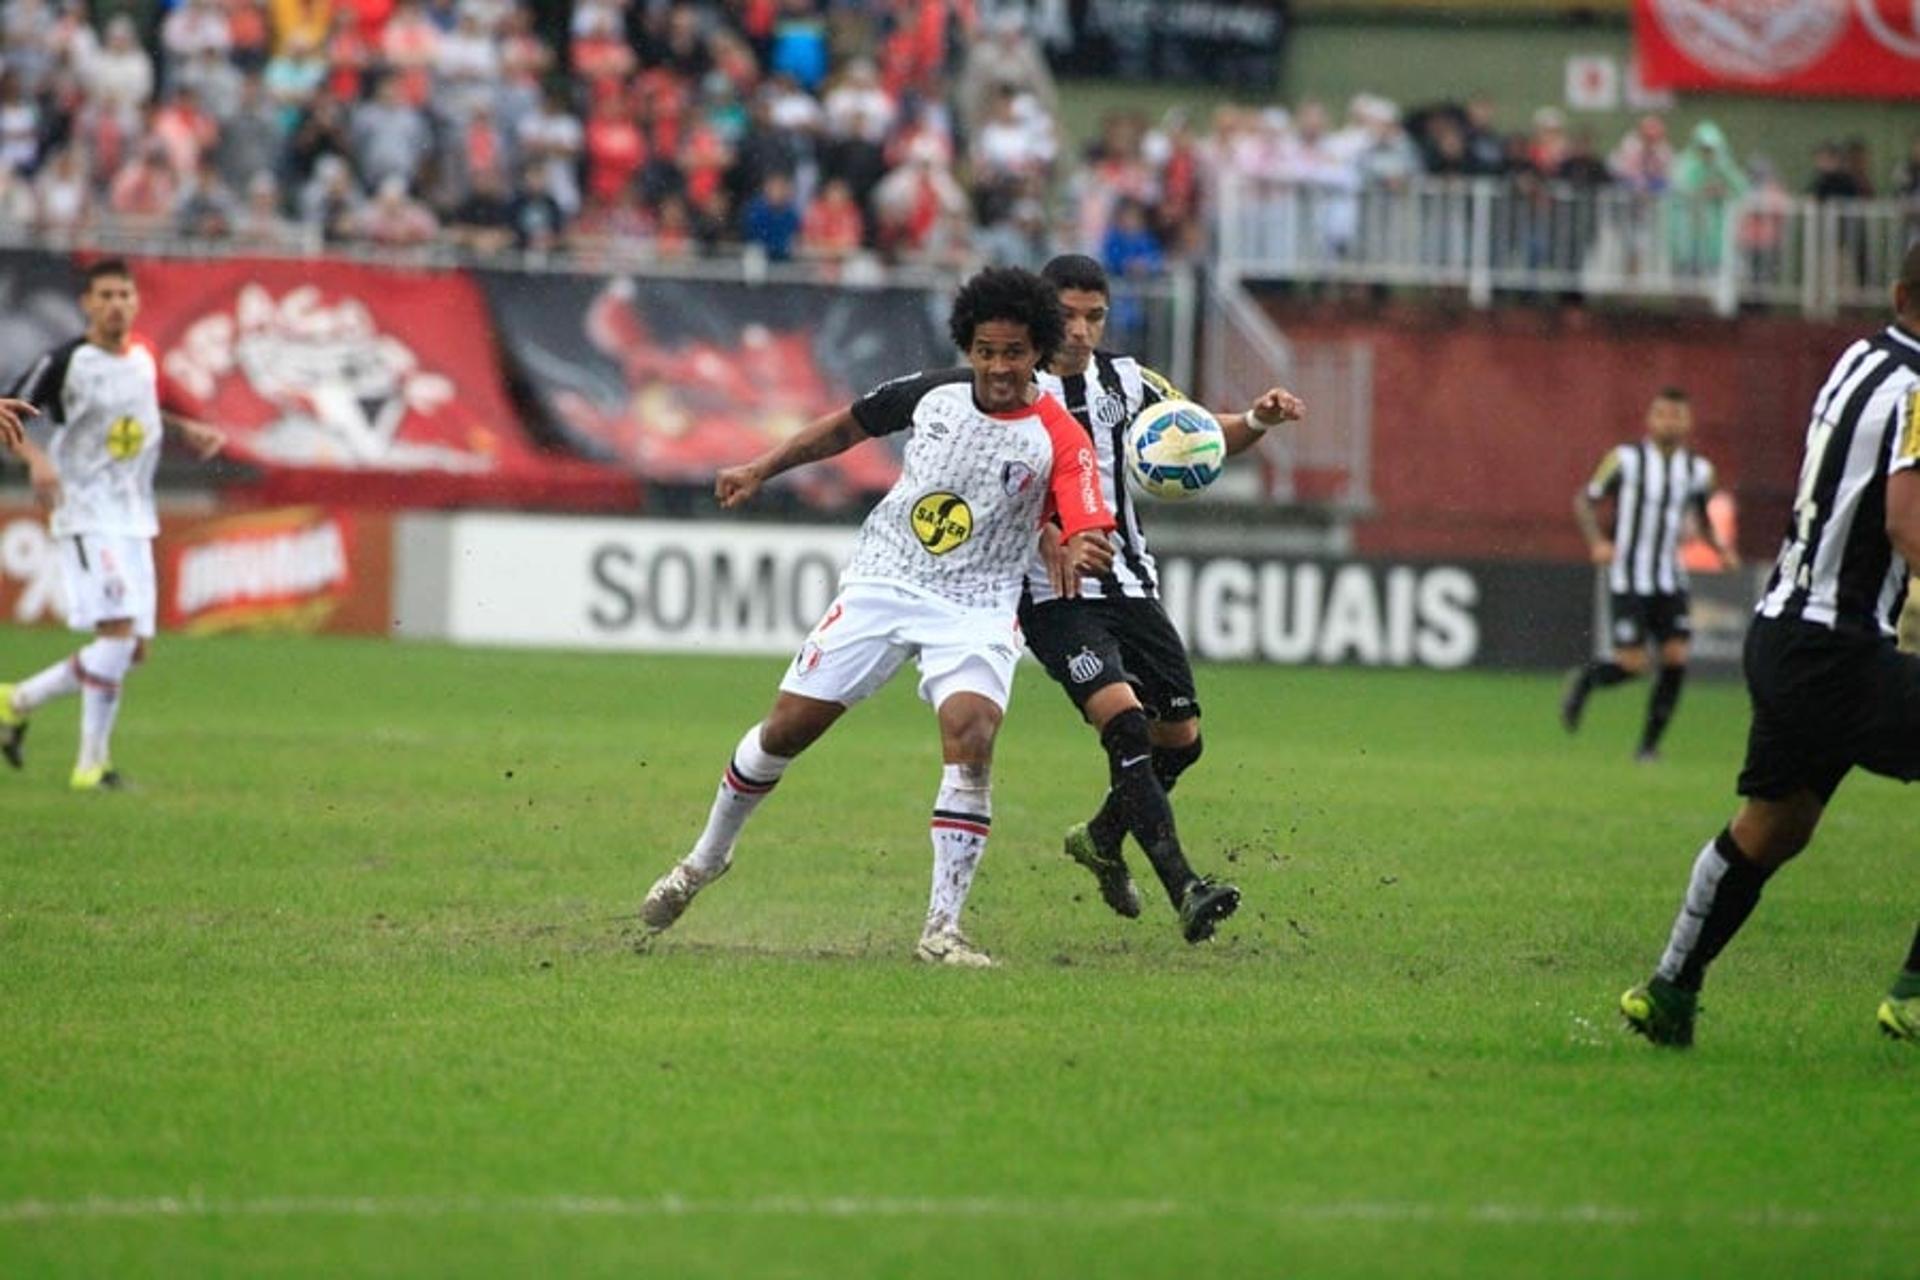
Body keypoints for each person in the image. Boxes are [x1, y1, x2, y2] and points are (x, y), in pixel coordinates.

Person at [639, 267, 1116, 967]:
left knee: (973, 733)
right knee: (786, 731)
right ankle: (705, 860)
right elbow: (843, 429)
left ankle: (941, 930)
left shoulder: (1060, 435)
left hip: (976, 602)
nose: (998, 366)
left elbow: (1083, 518)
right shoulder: (933, 392)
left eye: (1014, 352)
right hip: (886, 581)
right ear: (969, 345)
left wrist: (1082, 540)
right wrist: (759, 468)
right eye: (985, 350)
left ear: (1037, 350)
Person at [1620, 243, 1920, 1047]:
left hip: (1784, 630)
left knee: (1775, 822)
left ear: (1897, 293)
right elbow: (1904, 518)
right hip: (1840, 645)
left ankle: (1670, 988)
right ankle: (1915, 992)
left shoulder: (1858, 357)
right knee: (1772, 820)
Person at [1021, 254, 1304, 942]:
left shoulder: (1126, 379)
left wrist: (1257, 421)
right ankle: (1186, 887)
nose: (1082, 331)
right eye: (1068, 315)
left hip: (1130, 584)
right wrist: (1046, 533)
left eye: (1095, 316)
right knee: (1123, 723)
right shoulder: (1010, 388)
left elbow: (1198, 436)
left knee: (1179, 740)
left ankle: (1100, 836)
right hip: (1054, 594)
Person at [0, 260, 226, 791]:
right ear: (87, 304)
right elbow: (8, 410)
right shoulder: (66, 360)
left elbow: (141, 416)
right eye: (105, 295)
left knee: (134, 650)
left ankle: (17, 701)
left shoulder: (143, 358)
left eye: (124, 294)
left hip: (134, 518)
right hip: (86, 511)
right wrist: (35, 459)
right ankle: (90, 766)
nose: (116, 304)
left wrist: (182, 428)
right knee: (118, 637)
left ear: (135, 302)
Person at [1561, 388, 1738, 761]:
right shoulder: (1624, 460)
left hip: (1669, 577)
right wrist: (1597, 542)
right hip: (1629, 576)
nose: (1669, 422)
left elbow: (1702, 521)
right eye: (1662, 415)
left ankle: (1648, 746)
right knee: (1632, 664)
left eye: (1677, 416)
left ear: (1688, 422)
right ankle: (1585, 681)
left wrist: (1720, 549)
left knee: (1675, 657)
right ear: (1650, 419)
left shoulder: (1699, 470)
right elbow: (1585, 500)